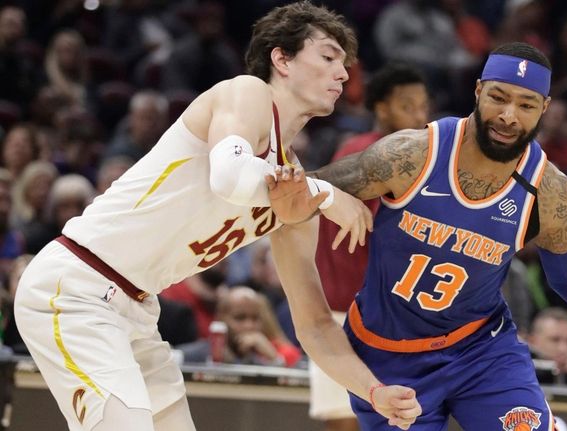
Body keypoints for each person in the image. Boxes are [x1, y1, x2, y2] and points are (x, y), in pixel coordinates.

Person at [14, 3, 420, 431]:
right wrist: (326, 193)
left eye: (346, 64)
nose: (343, 74)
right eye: (328, 56)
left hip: (135, 310)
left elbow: (315, 325)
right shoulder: (246, 93)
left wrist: (373, 391)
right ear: (281, 58)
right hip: (77, 286)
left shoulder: (293, 189)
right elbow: (229, 176)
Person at [290, 41, 567, 429]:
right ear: (478, 91)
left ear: (544, 107)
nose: (509, 115)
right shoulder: (411, 155)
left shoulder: (549, 192)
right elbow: (301, 191)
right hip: (387, 355)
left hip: (481, 351)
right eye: (499, 97)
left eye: (525, 104)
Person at [312, 63, 428, 431]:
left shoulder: (350, 149)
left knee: (346, 421)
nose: (420, 115)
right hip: (365, 315)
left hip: (339, 309)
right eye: (408, 106)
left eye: (424, 106)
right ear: (381, 108)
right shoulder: (385, 160)